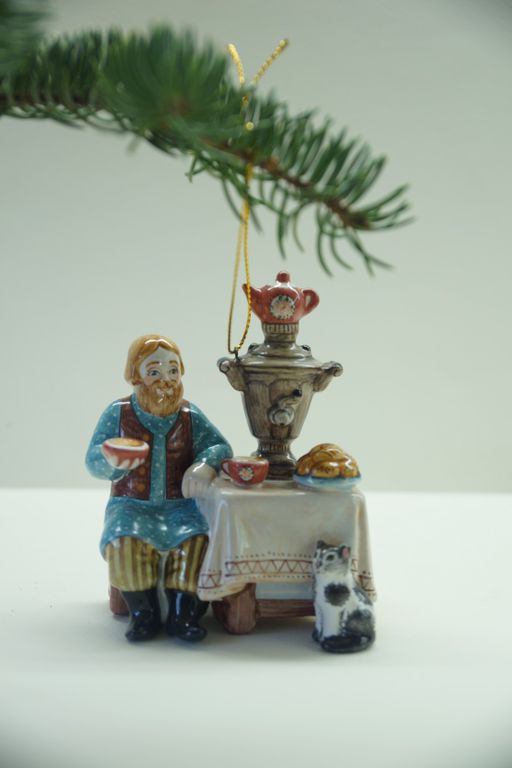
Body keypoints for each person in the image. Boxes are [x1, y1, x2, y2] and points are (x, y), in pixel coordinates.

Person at [86, 334, 232, 643]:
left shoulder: (190, 416)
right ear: (135, 375)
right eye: (154, 371)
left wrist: (205, 465)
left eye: (172, 370)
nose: (165, 379)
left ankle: (183, 613)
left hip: (181, 507)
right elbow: (93, 459)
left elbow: (219, 447)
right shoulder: (118, 413)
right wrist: (110, 459)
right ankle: (144, 613)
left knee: (196, 542)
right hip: (131, 505)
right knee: (124, 542)